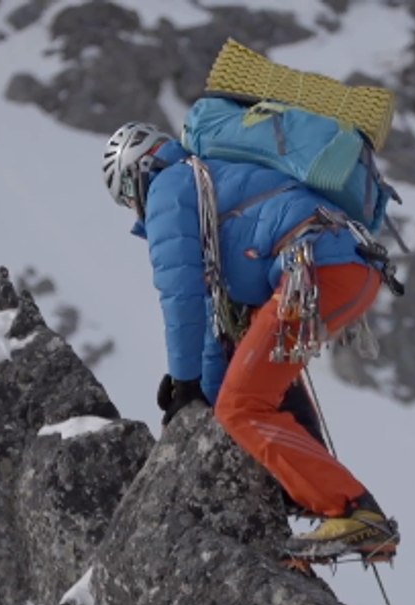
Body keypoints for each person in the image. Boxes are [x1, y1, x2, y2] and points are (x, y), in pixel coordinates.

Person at [102, 120, 398, 558]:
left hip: (314, 267)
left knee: (243, 405)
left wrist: (184, 384)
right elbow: (215, 320)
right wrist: (200, 389)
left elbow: (182, 292)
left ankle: (351, 509)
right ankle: (305, 491)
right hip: (344, 264)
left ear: (135, 172)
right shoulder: (212, 178)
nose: (135, 209)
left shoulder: (170, 187)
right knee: (250, 393)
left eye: (128, 197)